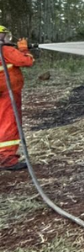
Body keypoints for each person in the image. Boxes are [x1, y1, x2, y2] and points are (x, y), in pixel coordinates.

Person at [0, 25, 35, 171]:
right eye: (4, 35)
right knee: (9, 123)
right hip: (7, 92)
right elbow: (26, 61)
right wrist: (24, 49)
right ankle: (7, 159)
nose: (6, 38)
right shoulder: (5, 50)